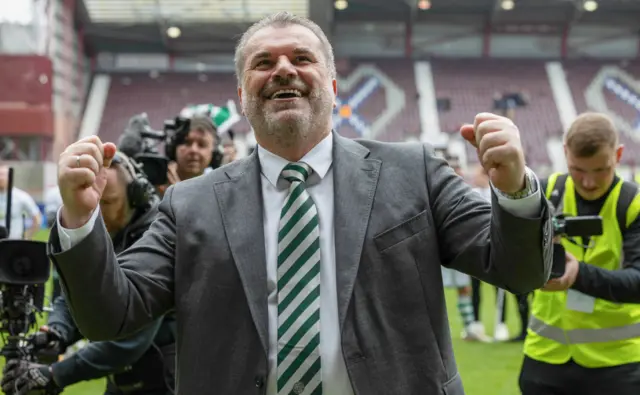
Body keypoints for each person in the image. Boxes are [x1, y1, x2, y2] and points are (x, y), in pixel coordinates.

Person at [48, 12, 552, 395]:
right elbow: (109, 314)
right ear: (243, 96)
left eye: (301, 58)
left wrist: (513, 191)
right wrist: (78, 219)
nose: (283, 69)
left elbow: (518, 271)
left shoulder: (413, 172)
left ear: (332, 86)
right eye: (263, 63)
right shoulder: (189, 203)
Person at [1, 152, 176, 395]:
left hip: (163, 382)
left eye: (107, 202)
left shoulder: (158, 240)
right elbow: (75, 293)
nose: (97, 212)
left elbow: (128, 340)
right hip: (122, 381)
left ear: (135, 197)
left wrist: (54, 375)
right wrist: (56, 331)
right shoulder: (104, 234)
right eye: (94, 202)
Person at [519, 112, 640, 395]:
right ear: (565, 154)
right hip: (545, 357)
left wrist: (578, 274)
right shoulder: (546, 192)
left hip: (618, 364)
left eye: (600, 170)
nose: (588, 182)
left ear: (618, 154)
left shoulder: (633, 204)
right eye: (577, 170)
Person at [439, 156, 489, 342]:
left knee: (463, 289)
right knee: (437, 291)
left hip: (458, 248)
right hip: (440, 248)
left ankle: (469, 328)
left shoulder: (464, 193)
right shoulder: (438, 193)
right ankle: (440, 331)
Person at [469, 164, 510, 342]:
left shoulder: (499, 194)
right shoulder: (472, 193)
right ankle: (476, 323)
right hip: (476, 248)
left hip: (496, 248)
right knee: (476, 288)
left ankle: (501, 324)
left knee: (499, 287)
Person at [0, 165, 42, 240]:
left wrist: (28, 237)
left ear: (9, 177)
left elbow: (36, 217)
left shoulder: (21, 196)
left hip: (14, 242)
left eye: (3, 175)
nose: (1, 178)